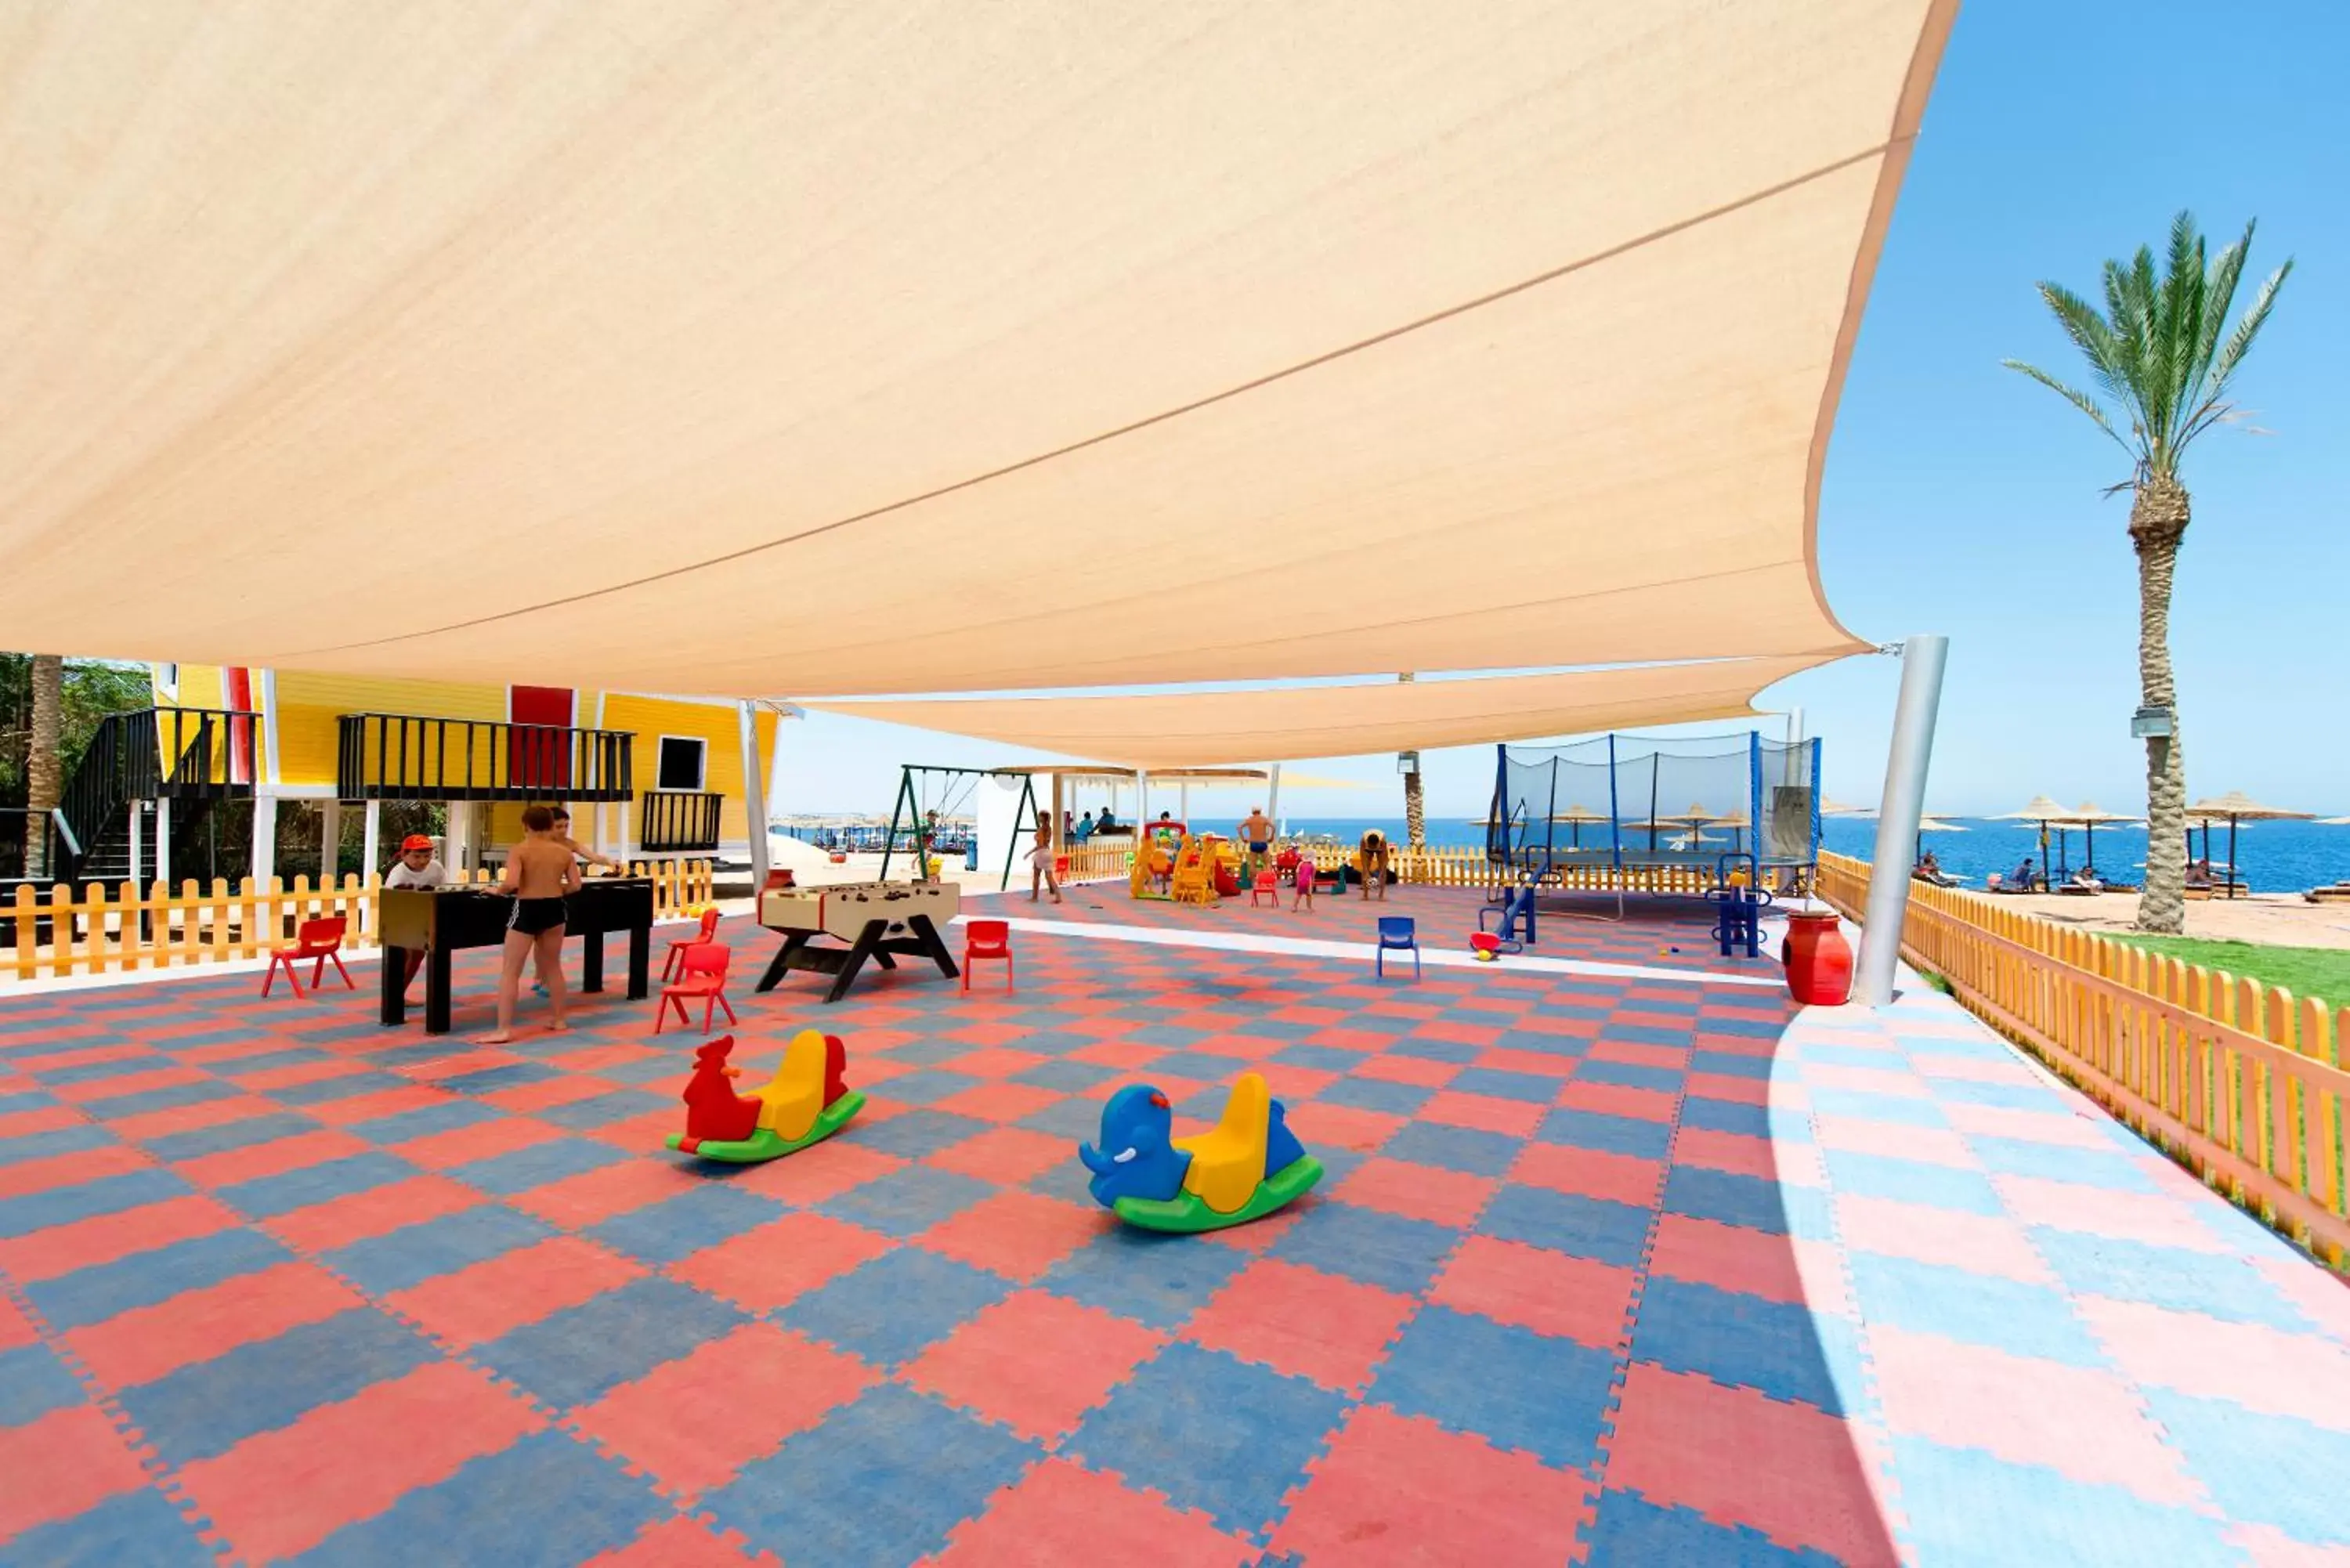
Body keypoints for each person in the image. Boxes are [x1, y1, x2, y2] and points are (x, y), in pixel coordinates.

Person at [483, 805, 579, 1044]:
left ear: (525, 825)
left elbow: (512, 882)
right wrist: (556, 889)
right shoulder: (563, 852)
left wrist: (496, 890)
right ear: (550, 825)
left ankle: (503, 1030)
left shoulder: (520, 850)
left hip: (527, 908)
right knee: (553, 966)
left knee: (510, 971)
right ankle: (559, 1019)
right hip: (555, 908)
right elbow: (576, 886)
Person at [384, 834, 446, 995]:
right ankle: (395, 996)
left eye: (427, 856)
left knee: (417, 956)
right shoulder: (398, 873)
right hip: (400, 920)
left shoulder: (437, 868)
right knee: (405, 956)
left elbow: (443, 890)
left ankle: (399, 993)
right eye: (417, 856)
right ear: (405, 855)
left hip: (424, 919)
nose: (422, 861)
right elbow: (391, 901)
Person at [547, 806, 620, 874]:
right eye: (559, 827)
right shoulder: (538, 844)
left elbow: (595, 857)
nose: (564, 830)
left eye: (566, 826)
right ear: (547, 826)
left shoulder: (570, 844)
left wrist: (612, 862)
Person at [1030, 814, 1064, 904]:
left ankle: (1034, 897)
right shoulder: (1049, 828)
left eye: (1039, 817)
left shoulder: (1041, 830)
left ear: (1042, 819)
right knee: (1049, 877)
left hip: (1041, 853)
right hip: (1047, 853)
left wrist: (1030, 852)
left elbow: (1040, 845)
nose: (1038, 818)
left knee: (1036, 876)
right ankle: (1058, 896)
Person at [1238, 806, 1274, 875]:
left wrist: (1243, 838)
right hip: (1263, 843)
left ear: (1252, 812)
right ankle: (1269, 880)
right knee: (1267, 862)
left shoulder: (1250, 819)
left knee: (1253, 864)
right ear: (1260, 812)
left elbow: (1239, 827)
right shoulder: (1264, 819)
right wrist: (1271, 837)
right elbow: (1273, 827)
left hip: (1253, 843)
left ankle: (1253, 881)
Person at [1358, 829, 1389, 901]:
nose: (1373, 849)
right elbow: (1363, 861)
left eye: (1374, 848)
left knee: (1383, 870)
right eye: (1371, 848)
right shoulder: (1363, 841)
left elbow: (1385, 862)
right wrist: (1367, 873)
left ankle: (1381, 896)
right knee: (1365, 870)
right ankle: (1365, 895)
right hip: (1366, 848)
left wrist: (1380, 875)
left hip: (1380, 848)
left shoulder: (1382, 841)